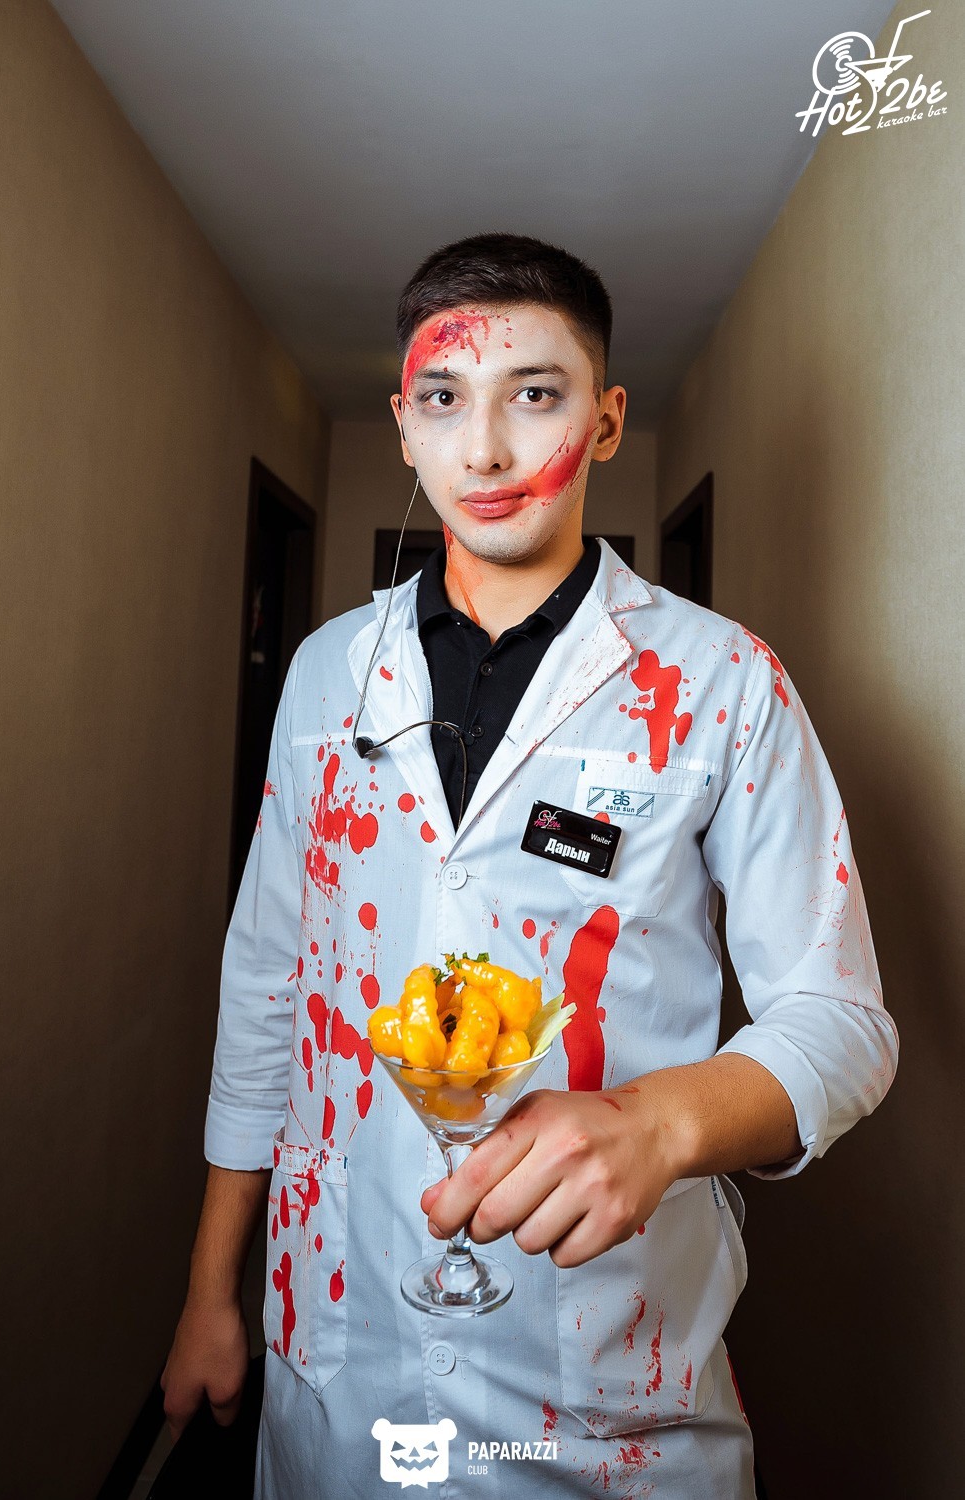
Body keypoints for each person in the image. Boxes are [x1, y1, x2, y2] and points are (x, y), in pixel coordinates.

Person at [160, 232, 898, 1498]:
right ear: (404, 426)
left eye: (536, 395)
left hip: (607, 1388)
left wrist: (663, 1122)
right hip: (341, 1351)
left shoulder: (722, 683)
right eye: (446, 399)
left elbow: (843, 1018)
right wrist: (209, 1290)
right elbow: (268, 986)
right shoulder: (328, 674)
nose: (488, 451)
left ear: (604, 423)